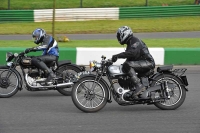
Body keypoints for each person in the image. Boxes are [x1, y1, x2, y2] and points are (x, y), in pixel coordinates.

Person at [112, 26, 155, 100]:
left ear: (125, 34)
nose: (119, 38)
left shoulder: (135, 41)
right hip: (142, 63)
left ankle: (139, 86)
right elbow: (130, 59)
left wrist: (117, 56)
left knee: (127, 65)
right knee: (124, 68)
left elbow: (132, 53)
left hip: (148, 62)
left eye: (119, 36)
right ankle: (133, 90)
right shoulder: (130, 43)